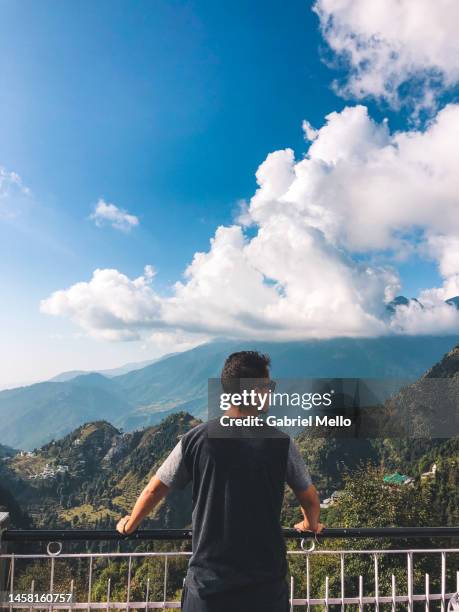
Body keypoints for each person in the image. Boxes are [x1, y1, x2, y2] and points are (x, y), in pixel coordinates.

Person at [116, 351, 324, 612]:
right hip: (265, 590)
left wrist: (130, 524)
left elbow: (154, 489)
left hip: (208, 589)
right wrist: (309, 524)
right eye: (268, 386)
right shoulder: (281, 443)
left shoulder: (195, 439)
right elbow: (310, 499)